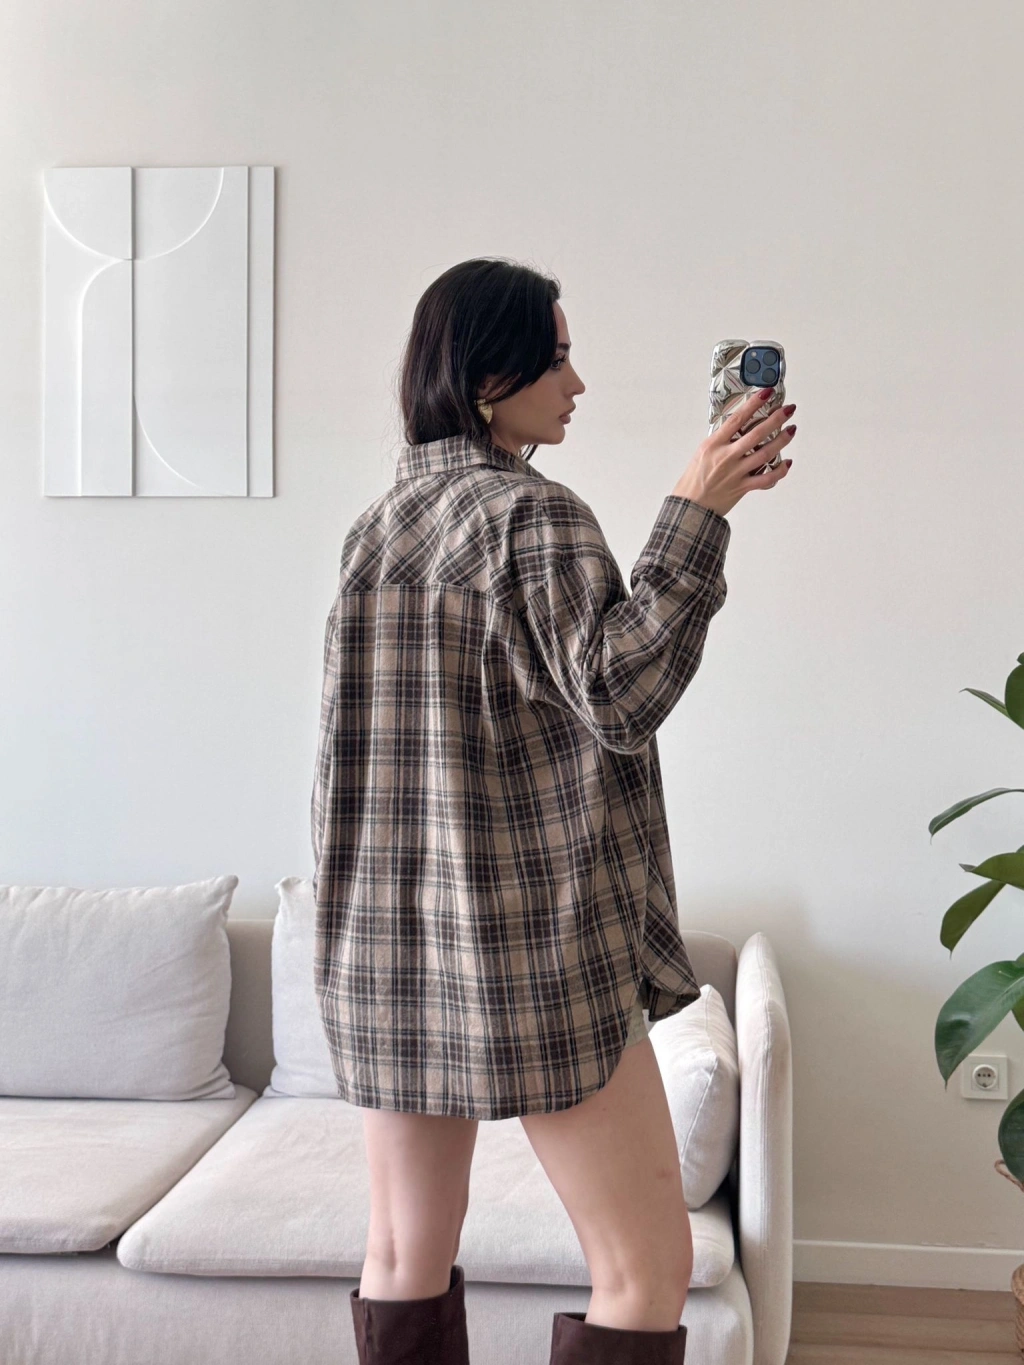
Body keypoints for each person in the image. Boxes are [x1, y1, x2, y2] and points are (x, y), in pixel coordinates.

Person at [310, 257, 797, 1364]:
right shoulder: (533, 517)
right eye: (558, 357)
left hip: (387, 950)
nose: (577, 384)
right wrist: (698, 510)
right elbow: (622, 695)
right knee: (645, 1266)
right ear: (491, 375)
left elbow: (348, 767)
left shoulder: (372, 531)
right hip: (535, 954)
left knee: (401, 1254)